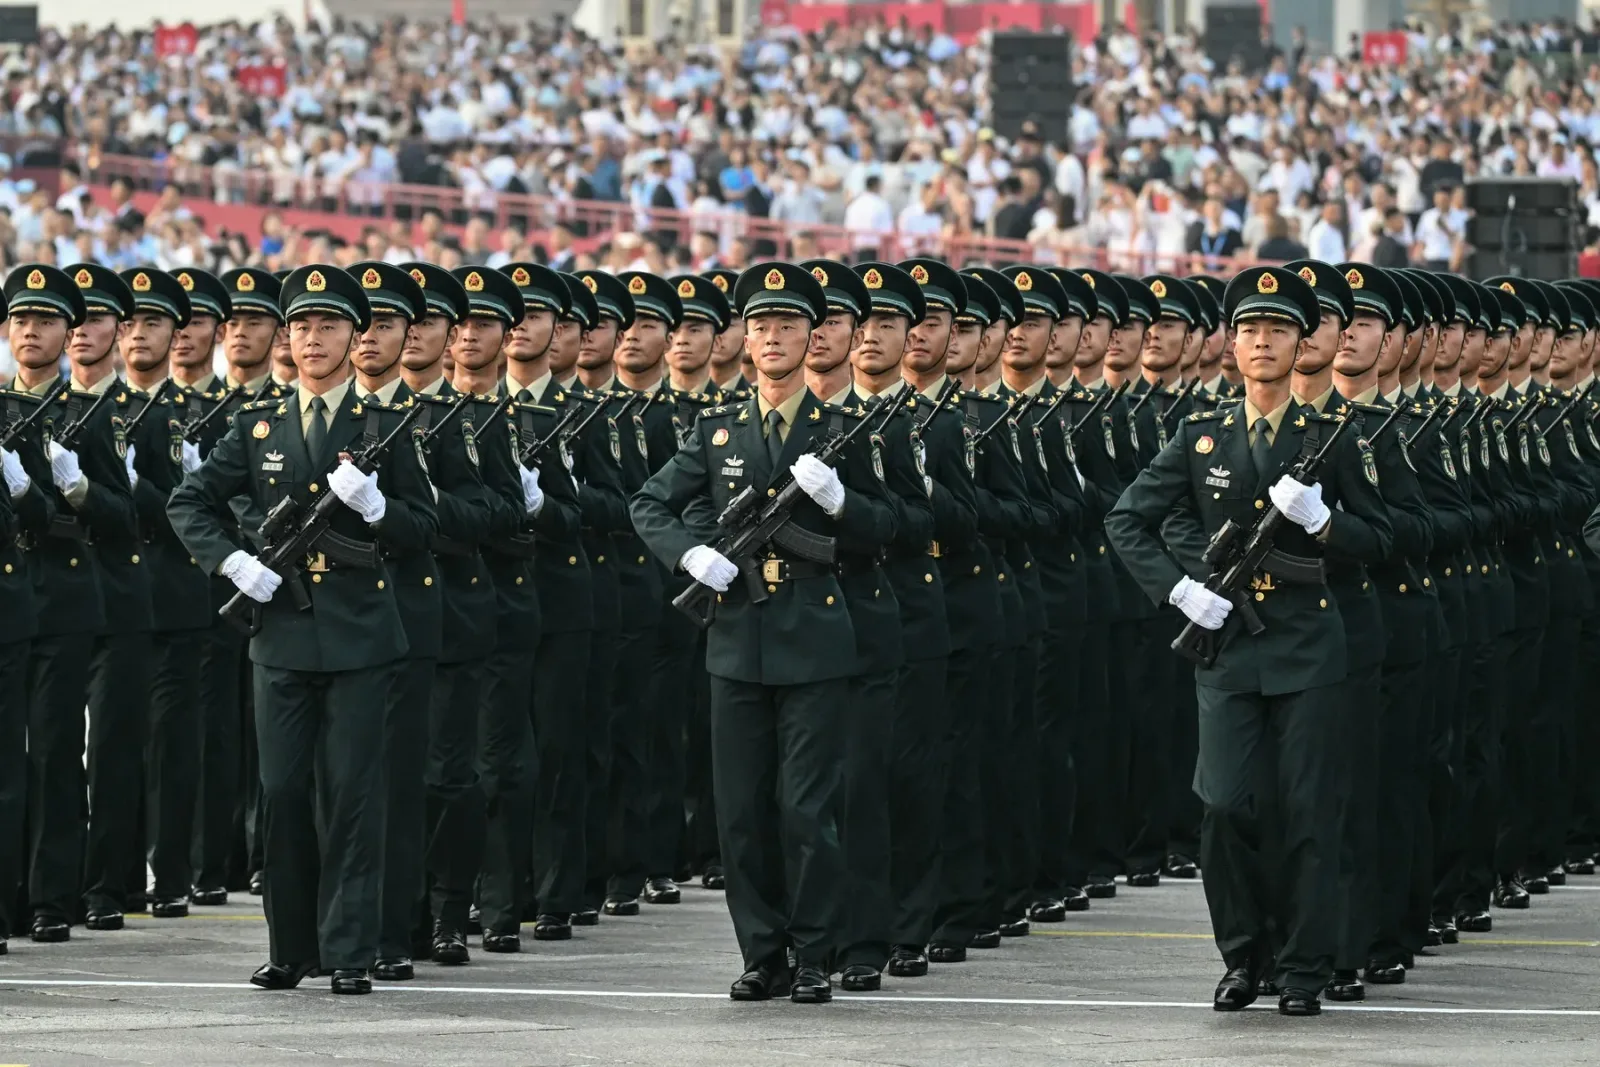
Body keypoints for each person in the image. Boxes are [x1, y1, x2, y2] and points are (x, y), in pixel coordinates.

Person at [1105, 265, 1393, 1017]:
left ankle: (1303, 966)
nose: (1261, 342)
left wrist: (1326, 523)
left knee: (1307, 810)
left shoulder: (1329, 436)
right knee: (1226, 806)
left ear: (1301, 342)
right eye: (1249, 330)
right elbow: (1126, 518)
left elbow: (1385, 538)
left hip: (1307, 649)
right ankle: (1244, 955)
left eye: (1277, 330)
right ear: (1230, 344)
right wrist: (1178, 588)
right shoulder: (1200, 436)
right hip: (1227, 649)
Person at [168, 264, 439, 994]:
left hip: (360, 637)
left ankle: (349, 949)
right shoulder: (260, 427)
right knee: (283, 791)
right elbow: (189, 501)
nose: (311, 338)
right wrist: (231, 563)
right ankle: (292, 946)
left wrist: (380, 509)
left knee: (352, 794)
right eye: (301, 327)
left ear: (356, 337)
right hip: (281, 632)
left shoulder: (387, 425)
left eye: (327, 326)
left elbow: (426, 527)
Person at [631, 262, 896, 1004]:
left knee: (808, 807)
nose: (773, 337)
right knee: (741, 813)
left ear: (815, 336)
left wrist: (841, 505)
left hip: (816, 639)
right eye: (762, 325)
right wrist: (692, 551)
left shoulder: (843, 430)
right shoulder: (716, 429)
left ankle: (816, 951)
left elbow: (895, 526)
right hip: (737, 638)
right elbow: (650, 504)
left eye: (788, 325)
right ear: (745, 337)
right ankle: (762, 951)